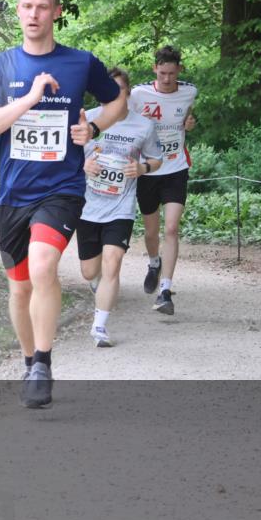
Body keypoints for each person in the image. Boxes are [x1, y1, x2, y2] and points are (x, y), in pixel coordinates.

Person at [0, 0, 127, 409]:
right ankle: (29, 362)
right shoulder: (2, 65)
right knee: (20, 289)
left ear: (57, 12)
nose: (34, 14)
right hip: (13, 195)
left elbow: (119, 101)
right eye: (26, 6)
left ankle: (43, 362)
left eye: (42, 6)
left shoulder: (80, 63)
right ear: (18, 11)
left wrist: (93, 126)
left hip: (62, 188)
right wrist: (29, 98)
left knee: (44, 267)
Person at [77, 67, 162, 347]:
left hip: (121, 208)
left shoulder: (143, 125)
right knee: (90, 272)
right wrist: (82, 165)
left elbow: (156, 159)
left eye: (117, 90)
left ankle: (100, 327)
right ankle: (97, 284)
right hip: (88, 208)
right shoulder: (86, 119)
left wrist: (142, 167)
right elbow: (64, 156)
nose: (110, 96)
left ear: (128, 92)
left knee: (113, 263)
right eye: (106, 92)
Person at [129, 46, 197, 315]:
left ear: (179, 70)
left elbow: (187, 116)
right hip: (147, 170)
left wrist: (190, 123)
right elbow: (125, 119)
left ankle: (165, 291)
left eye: (171, 73)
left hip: (176, 168)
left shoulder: (189, 91)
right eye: (162, 73)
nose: (167, 79)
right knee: (151, 232)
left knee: (171, 229)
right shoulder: (138, 94)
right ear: (154, 69)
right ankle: (154, 262)